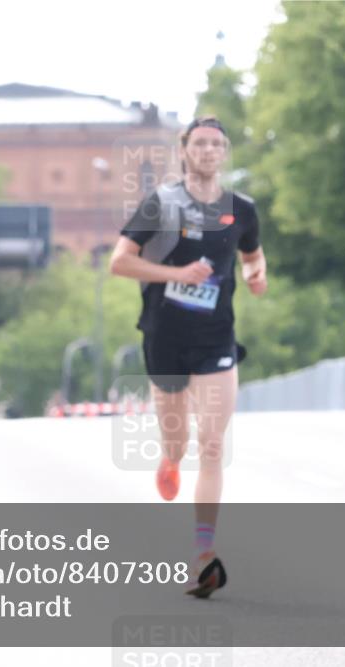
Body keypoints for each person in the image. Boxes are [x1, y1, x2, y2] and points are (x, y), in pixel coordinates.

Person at [109, 115, 268, 598]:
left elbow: (252, 256)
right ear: (185, 151)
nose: (207, 151)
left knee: (213, 444)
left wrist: (258, 276)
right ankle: (169, 458)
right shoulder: (162, 204)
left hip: (216, 337)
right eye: (198, 143)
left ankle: (203, 555)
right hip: (166, 336)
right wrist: (175, 273)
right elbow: (119, 262)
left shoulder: (242, 209)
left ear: (225, 152)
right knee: (178, 442)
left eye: (215, 144)